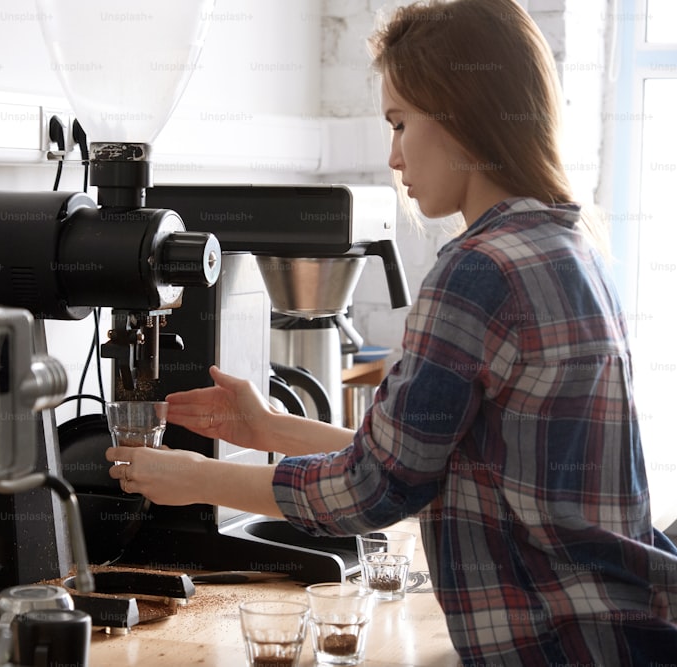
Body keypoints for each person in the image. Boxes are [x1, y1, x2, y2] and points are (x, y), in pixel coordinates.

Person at [105, 0, 677, 664]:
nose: (395, 156)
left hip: (565, 645)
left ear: (463, 113)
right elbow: (440, 465)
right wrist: (268, 430)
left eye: (402, 123)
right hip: (630, 631)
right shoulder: (571, 244)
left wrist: (197, 478)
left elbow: (375, 489)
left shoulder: (477, 271)